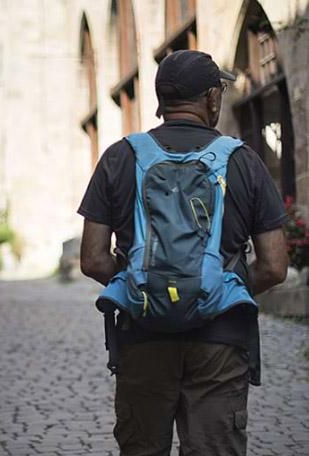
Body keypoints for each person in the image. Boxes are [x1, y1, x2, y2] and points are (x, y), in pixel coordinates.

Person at [78, 50, 288, 456]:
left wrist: (148, 289)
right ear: (211, 98)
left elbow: (92, 259)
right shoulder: (244, 161)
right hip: (220, 340)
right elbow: (275, 266)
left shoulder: (120, 157)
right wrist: (213, 291)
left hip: (143, 335)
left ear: (160, 101)